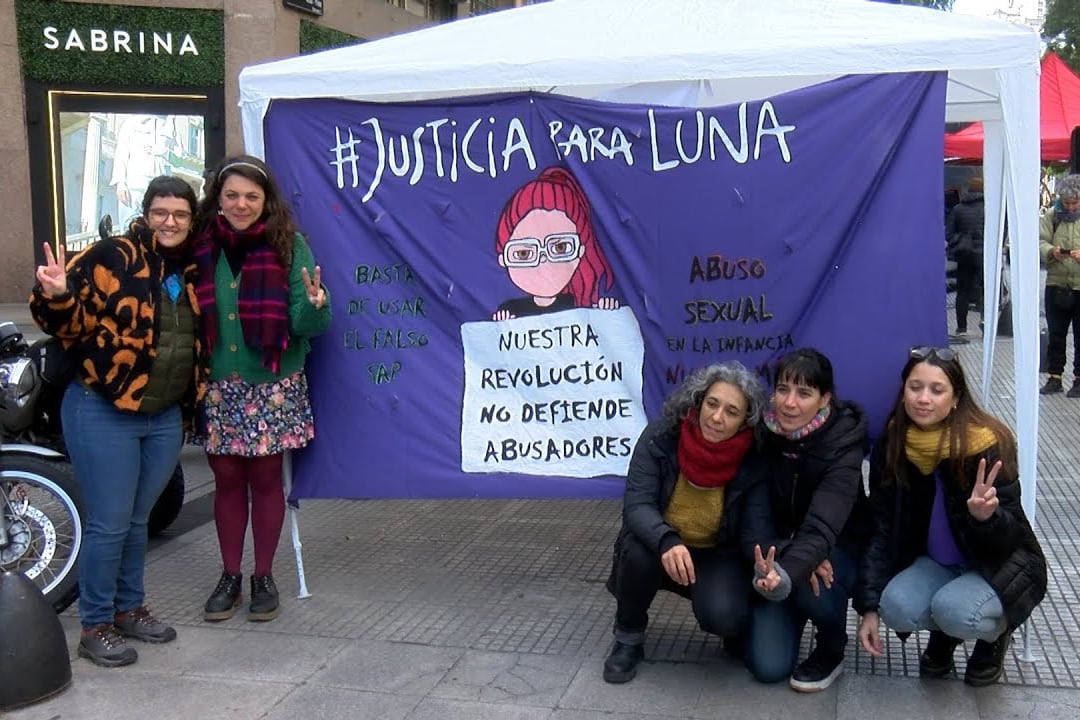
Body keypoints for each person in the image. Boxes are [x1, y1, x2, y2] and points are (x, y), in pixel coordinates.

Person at [30, 176, 204, 667]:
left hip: (164, 415)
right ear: (146, 213)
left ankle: (129, 608)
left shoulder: (193, 268)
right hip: (102, 408)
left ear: (192, 220)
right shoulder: (113, 256)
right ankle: (95, 624)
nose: (169, 222)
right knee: (108, 524)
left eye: (180, 214)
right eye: (160, 212)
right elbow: (68, 323)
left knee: (136, 520)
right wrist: (58, 292)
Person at [854, 346, 1047, 687]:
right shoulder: (894, 442)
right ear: (903, 391)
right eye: (915, 387)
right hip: (937, 562)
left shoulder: (988, 442)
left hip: (994, 563)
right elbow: (881, 526)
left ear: (956, 398)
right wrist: (868, 606)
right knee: (895, 606)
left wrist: (985, 517)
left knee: (957, 612)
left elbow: (1013, 539)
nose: (923, 398)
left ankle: (993, 638)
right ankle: (946, 634)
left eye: (936, 389)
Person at [193, 155, 331, 623]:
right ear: (218, 198)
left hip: (270, 383)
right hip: (216, 383)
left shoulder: (289, 246)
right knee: (227, 479)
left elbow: (305, 322)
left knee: (266, 480)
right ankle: (230, 574)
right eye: (232, 194)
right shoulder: (200, 246)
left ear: (266, 200)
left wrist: (314, 304)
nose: (241, 204)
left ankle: (263, 576)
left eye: (252, 196)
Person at [603, 362, 767, 684]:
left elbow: (753, 529)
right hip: (659, 545)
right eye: (712, 404)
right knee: (636, 552)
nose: (717, 418)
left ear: (745, 421)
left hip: (715, 553)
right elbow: (637, 504)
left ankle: (729, 622)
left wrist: (765, 566)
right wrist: (665, 539)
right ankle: (628, 637)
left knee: (727, 615)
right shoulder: (661, 436)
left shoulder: (754, 457)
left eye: (732, 412)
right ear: (698, 401)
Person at [742, 347, 869, 692]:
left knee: (817, 582)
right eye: (782, 389)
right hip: (781, 553)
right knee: (767, 666)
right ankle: (783, 613)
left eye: (804, 393)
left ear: (824, 398)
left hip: (835, 549)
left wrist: (801, 560)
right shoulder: (761, 436)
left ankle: (831, 645)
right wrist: (785, 556)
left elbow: (825, 523)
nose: (789, 403)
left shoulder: (843, 443)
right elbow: (752, 519)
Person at [492, 166, 619, 319]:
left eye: (560, 247)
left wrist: (607, 318)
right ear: (503, 259)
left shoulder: (580, 305)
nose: (543, 261)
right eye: (523, 253)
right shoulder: (511, 309)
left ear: (580, 251)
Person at [1039, 173, 1080, 396]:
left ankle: (1078, 380)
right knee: (1056, 333)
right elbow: (1040, 241)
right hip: (1057, 284)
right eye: (1067, 203)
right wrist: (1050, 251)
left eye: (1075, 203)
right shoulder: (1052, 216)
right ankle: (1054, 378)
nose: (1071, 207)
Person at [945, 176, 985, 344]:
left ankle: (961, 327)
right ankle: (985, 322)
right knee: (986, 290)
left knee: (963, 291)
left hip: (964, 254)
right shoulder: (988, 207)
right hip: (984, 254)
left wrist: (960, 239)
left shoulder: (958, 209)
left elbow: (948, 234)